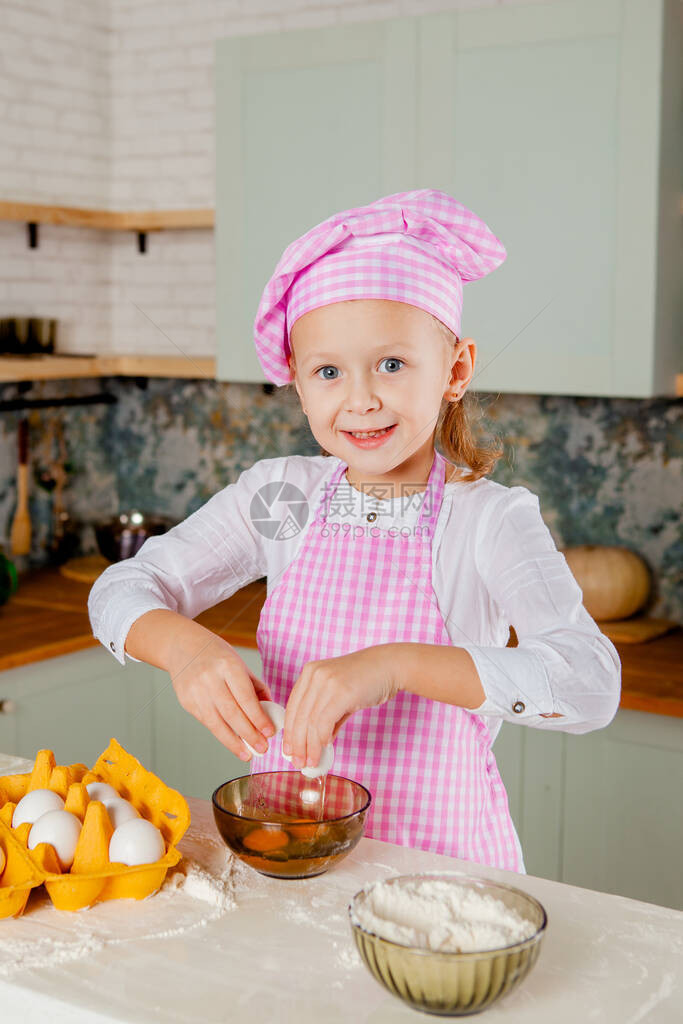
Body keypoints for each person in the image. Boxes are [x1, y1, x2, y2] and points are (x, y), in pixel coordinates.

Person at [88, 189, 621, 873]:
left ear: (454, 369)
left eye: (391, 364)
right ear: (299, 385)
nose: (360, 398)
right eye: (328, 371)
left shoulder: (486, 518)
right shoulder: (280, 495)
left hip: (441, 881)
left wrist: (393, 665)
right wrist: (184, 651)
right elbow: (121, 588)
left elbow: (588, 683)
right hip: (295, 856)